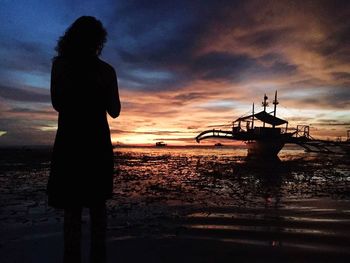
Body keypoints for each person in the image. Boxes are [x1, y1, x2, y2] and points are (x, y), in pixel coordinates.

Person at [47, 16, 121, 263]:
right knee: (98, 213)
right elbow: (115, 110)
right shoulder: (106, 71)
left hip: (69, 143)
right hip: (96, 145)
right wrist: (100, 87)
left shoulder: (60, 66)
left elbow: (57, 103)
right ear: (98, 41)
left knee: (72, 215)